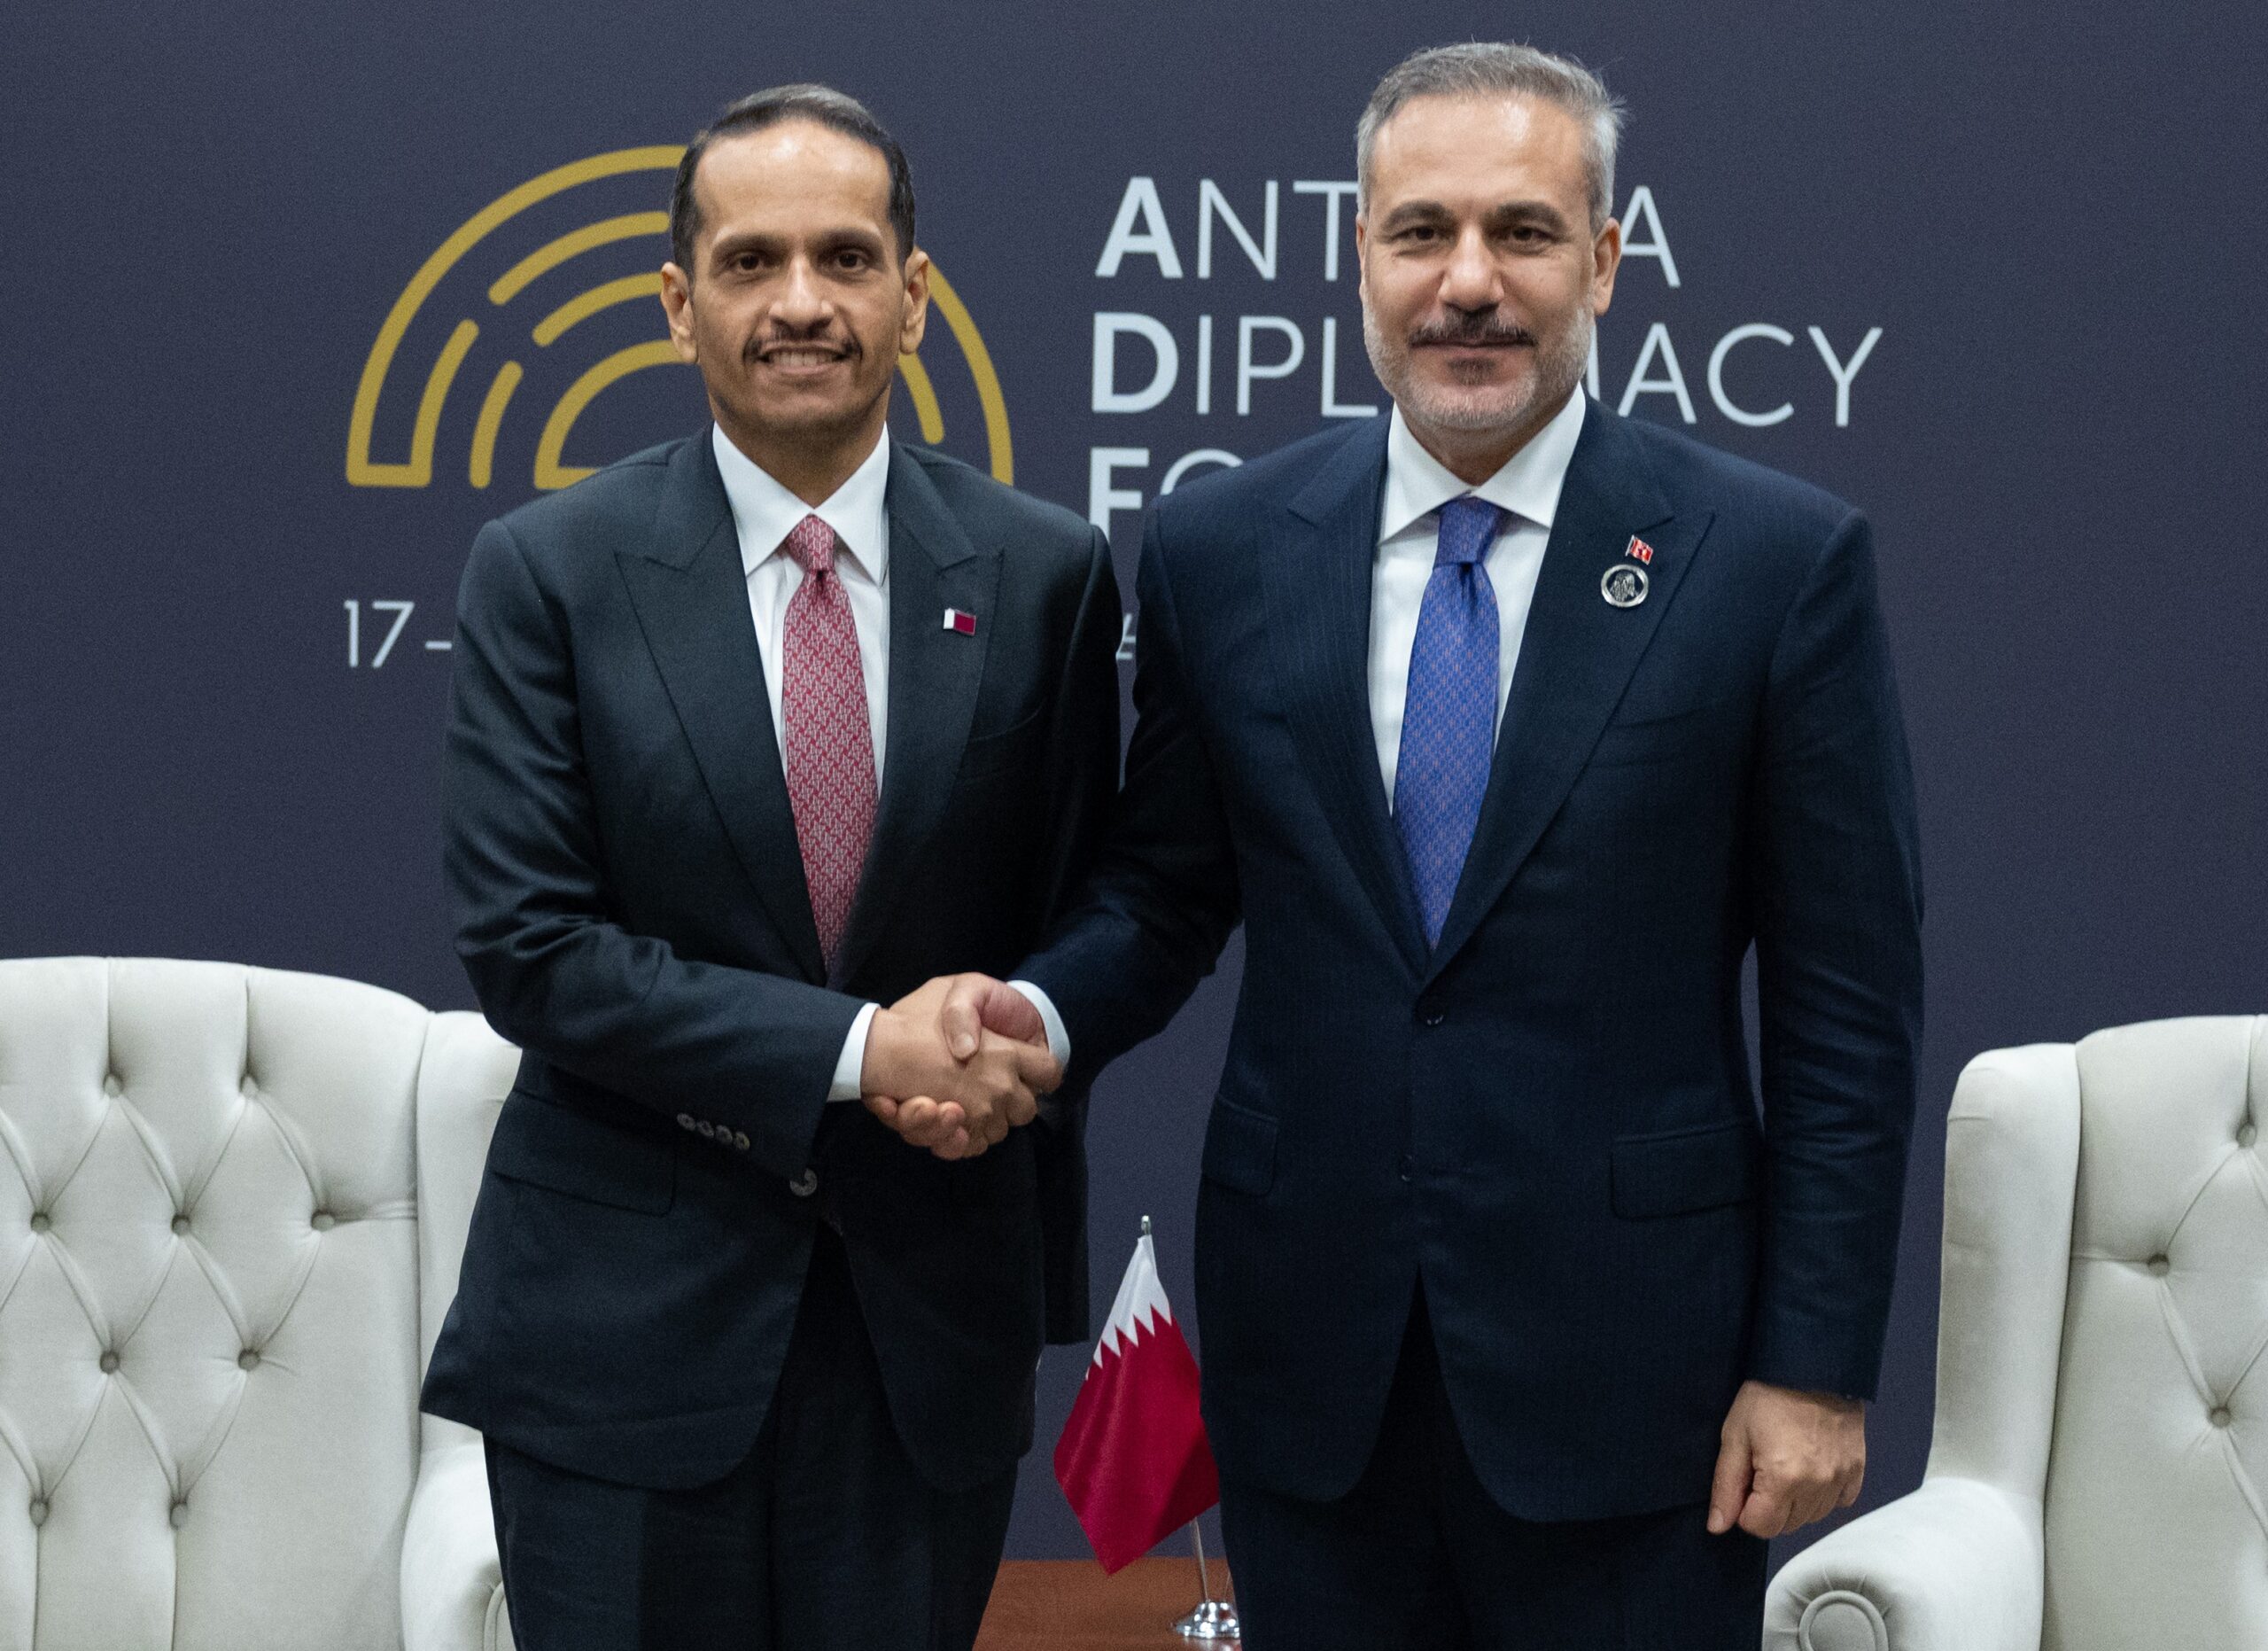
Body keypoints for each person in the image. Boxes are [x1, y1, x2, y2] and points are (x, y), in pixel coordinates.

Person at [908, 42, 1922, 1649]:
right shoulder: (1223, 548)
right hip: (1315, 1365)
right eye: (1422, 232)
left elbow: (1846, 1012)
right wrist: (1036, 1015)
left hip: (1637, 1385)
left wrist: (1813, 1367)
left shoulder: (1770, 562)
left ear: (1604, 259)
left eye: (1523, 232)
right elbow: (1165, 891)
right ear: (1360, 255)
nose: (1469, 284)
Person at [419, 83, 1122, 1651]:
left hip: (922, 1338)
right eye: (751, 263)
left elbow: (1094, 905)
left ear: (914, 297)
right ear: (680, 306)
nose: (801, 303)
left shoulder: (1045, 571)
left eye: (846, 258)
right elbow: (534, 947)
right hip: (619, 1348)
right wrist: (866, 1052)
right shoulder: (548, 570)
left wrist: (1011, 1036)